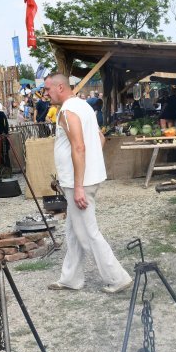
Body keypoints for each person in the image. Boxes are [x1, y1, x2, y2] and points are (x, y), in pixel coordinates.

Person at [43, 73, 132, 294]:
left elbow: (80, 147)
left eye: (48, 89)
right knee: (73, 230)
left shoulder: (68, 111)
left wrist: (79, 185)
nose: (45, 93)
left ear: (60, 87)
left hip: (78, 182)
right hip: (83, 178)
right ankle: (71, 278)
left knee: (87, 233)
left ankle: (117, 277)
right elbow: (100, 139)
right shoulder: (84, 107)